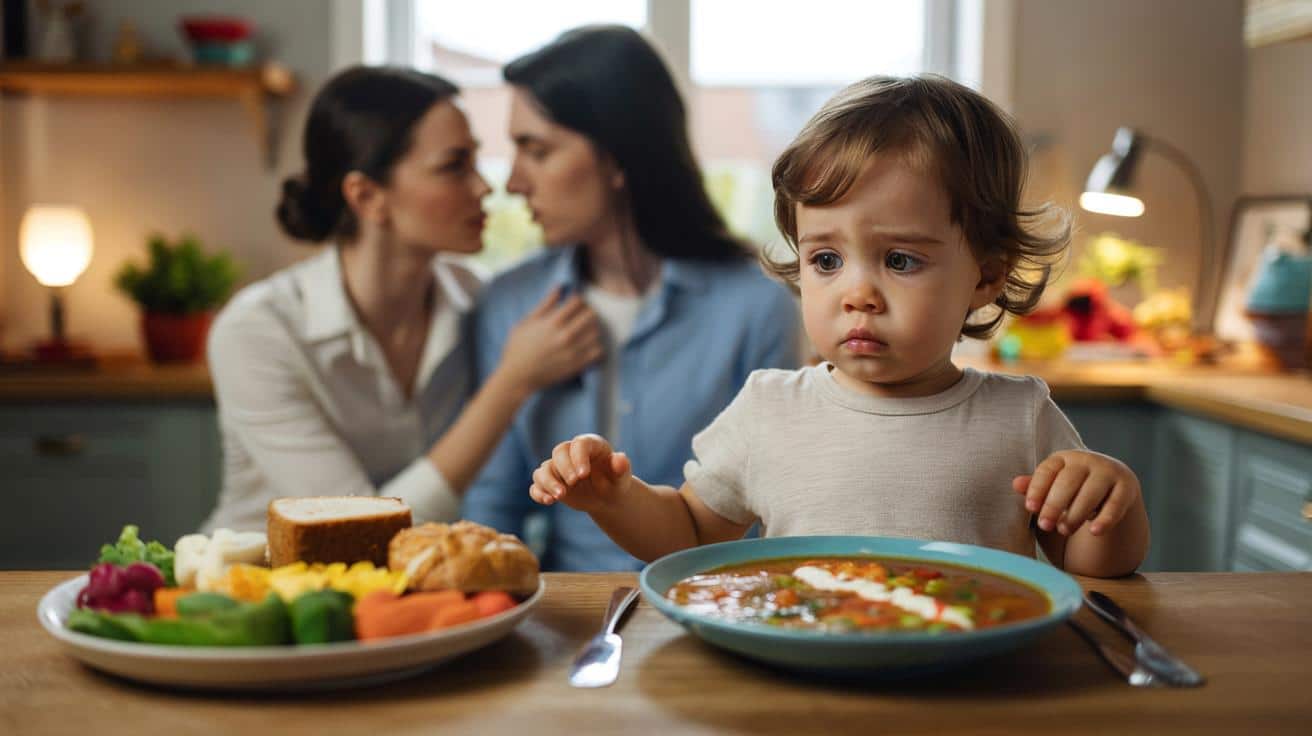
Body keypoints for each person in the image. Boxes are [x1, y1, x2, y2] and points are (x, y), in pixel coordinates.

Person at [526, 75, 1151, 578]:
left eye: (901, 260)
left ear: (985, 277)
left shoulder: (1021, 415)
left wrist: (1110, 505)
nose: (858, 295)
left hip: (969, 683)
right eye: (825, 260)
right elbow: (686, 533)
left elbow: (1094, 569)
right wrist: (614, 498)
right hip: (803, 675)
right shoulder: (768, 409)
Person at [460, 26, 802, 571]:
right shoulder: (510, 303)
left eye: (537, 150)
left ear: (619, 157)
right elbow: (490, 509)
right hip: (565, 614)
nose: (514, 183)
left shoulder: (757, 308)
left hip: (712, 604)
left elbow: (774, 513)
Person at [203, 66, 601, 533]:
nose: (483, 187)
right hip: (259, 588)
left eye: (475, 161)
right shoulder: (257, 333)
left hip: (402, 594)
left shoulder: (476, 299)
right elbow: (357, 528)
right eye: (454, 166)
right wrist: (511, 382)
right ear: (368, 196)